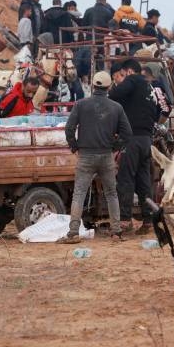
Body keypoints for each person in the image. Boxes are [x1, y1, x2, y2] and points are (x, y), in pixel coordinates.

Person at [58, 71, 131, 243]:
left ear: (93, 86)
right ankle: (116, 231)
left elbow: (69, 128)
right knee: (112, 193)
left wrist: (74, 147)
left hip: (85, 155)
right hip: (106, 155)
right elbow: (127, 133)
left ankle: (73, 233)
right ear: (109, 87)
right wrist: (115, 148)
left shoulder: (81, 104)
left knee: (79, 193)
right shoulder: (116, 107)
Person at [109, 59, 160, 234]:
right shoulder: (149, 87)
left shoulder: (132, 80)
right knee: (144, 180)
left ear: (129, 71)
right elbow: (159, 110)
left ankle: (125, 220)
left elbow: (114, 95)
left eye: (122, 75)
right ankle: (148, 221)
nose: (121, 78)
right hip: (146, 139)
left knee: (125, 178)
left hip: (132, 139)